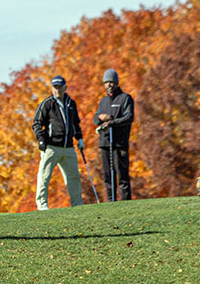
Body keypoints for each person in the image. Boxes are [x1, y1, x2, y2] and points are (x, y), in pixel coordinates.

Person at [32, 75, 85, 210]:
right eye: (55, 87)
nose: (57, 90)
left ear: (65, 87)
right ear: (52, 88)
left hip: (68, 147)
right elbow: (37, 123)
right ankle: (42, 205)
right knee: (44, 176)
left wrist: (79, 138)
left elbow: (75, 124)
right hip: (51, 147)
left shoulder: (71, 104)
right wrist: (42, 140)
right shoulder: (47, 104)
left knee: (73, 177)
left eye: (60, 87)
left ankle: (77, 204)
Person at [94, 69, 135, 201]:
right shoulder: (103, 101)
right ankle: (111, 202)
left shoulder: (125, 98)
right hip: (105, 143)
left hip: (119, 143)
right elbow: (95, 119)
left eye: (111, 82)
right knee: (107, 175)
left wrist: (112, 123)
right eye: (106, 82)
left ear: (117, 83)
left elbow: (129, 117)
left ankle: (125, 203)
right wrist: (101, 116)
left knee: (122, 175)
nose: (109, 85)